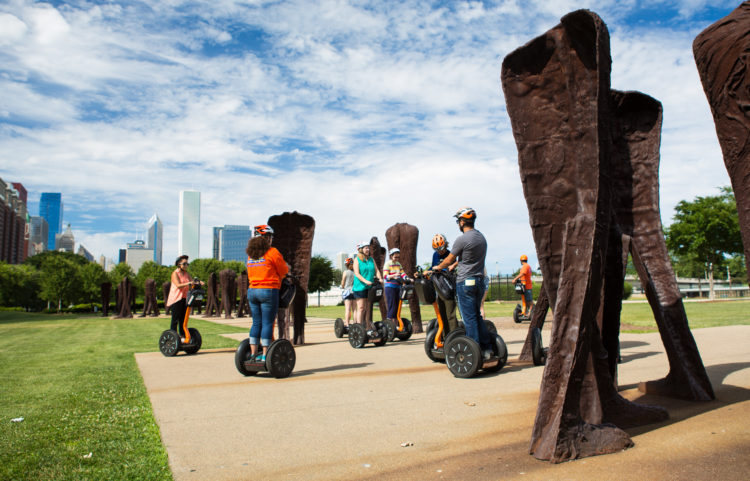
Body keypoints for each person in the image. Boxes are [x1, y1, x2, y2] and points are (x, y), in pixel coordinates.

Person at [432, 207, 494, 360]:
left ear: (461, 222)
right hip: (479, 281)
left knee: (469, 318)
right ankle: (487, 348)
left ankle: (475, 350)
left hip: (465, 282)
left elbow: (450, 258)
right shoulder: (481, 237)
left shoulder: (462, 239)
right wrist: (454, 265)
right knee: (477, 316)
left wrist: (439, 267)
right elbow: (467, 258)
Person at [245, 224, 289, 362]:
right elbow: (283, 270)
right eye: (270, 237)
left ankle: (253, 354)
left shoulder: (250, 256)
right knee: (268, 323)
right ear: (266, 238)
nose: (271, 239)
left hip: (252, 291)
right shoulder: (272, 252)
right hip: (268, 291)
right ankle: (265, 355)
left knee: (256, 323)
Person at [166, 255, 201, 340]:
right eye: (184, 264)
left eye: (187, 264)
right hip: (176, 298)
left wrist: (198, 282)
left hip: (185, 298)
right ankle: (173, 338)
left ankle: (182, 336)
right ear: (179, 264)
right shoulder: (175, 273)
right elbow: (178, 285)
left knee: (183, 319)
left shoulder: (186, 274)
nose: (186, 265)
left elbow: (192, 281)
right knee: (175, 320)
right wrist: (189, 283)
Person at [352, 241, 383, 334]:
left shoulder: (371, 259)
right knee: (361, 308)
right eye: (366, 248)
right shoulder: (357, 260)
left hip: (370, 287)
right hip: (360, 287)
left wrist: (380, 278)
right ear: (361, 249)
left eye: (368, 248)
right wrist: (365, 281)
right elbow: (357, 273)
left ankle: (366, 327)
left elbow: (376, 270)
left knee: (367, 308)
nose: (368, 249)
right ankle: (359, 327)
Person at [431, 233, 459, 333]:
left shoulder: (450, 254)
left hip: (448, 286)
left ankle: (455, 336)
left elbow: (455, 263)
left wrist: (450, 266)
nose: (439, 251)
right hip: (439, 287)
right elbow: (433, 267)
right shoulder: (435, 255)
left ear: (445, 245)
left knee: (450, 314)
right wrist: (427, 271)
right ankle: (445, 336)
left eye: (441, 248)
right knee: (442, 314)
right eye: (437, 249)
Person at [383, 248, 408, 320]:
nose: (397, 258)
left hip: (398, 287)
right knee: (392, 306)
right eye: (395, 257)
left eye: (398, 257)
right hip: (390, 287)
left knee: (397, 307)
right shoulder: (388, 264)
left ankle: (396, 325)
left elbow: (403, 273)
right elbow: (385, 276)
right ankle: (389, 323)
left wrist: (407, 278)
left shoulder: (398, 264)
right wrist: (394, 275)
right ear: (391, 256)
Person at [340, 257, 356, 326]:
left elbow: (343, 283)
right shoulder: (355, 273)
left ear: (346, 265)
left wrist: (342, 286)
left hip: (347, 292)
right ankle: (356, 323)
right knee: (355, 310)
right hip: (354, 292)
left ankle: (347, 324)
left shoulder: (345, 272)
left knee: (348, 309)